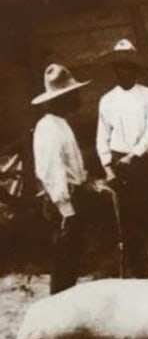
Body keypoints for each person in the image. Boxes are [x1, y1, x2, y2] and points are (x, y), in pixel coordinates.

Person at [96, 39, 148, 278]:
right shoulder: (107, 100)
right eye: (119, 67)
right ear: (115, 70)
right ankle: (130, 271)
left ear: (135, 69)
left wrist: (133, 156)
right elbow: (102, 136)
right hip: (119, 165)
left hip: (142, 162)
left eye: (128, 66)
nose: (123, 71)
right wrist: (108, 166)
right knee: (124, 220)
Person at [32, 64, 97, 294]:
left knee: (71, 259)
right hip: (61, 203)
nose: (77, 98)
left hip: (72, 197)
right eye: (72, 94)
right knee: (63, 259)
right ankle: (56, 308)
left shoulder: (62, 124)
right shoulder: (48, 128)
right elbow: (53, 171)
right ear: (60, 99)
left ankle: (64, 306)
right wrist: (66, 209)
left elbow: (72, 164)